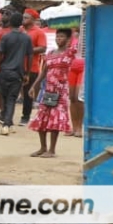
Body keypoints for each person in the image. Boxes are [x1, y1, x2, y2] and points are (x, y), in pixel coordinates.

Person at [28, 28, 76, 158]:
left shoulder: (69, 53)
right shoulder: (50, 53)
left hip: (61, 91)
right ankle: (43, 147)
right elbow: (43, 72)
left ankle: (52, 150)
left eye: (61, 37)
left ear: (68, 39)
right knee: (42, 117)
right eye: (57, 36)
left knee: (55, 119)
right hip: (49, 90)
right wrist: (34, 86)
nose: (58, 39)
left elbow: (79, 42)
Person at [0, 12, 33, 136]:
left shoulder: (6, 37)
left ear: (10, 23)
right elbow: (30, 56)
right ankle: (8, 124)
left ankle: (6, 124)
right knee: (11, 99)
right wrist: (27, 73)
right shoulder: (26, 38)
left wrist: (1, 62)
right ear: (21, 23)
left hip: (4, 71)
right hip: (18, 73)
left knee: (6, 98)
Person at [20, 9, 47, 126]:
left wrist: (27, 51)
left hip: (31, 67)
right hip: (17, 65)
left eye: (26, 17)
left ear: (33, 20)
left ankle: (25, 116)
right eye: (23, 17)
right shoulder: (19, 30)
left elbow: (43, 48)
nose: (23, 19)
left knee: (27, 93)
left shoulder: (39, 32)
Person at [68, 40, 84, 138]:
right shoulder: (72, 38)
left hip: (83, 67)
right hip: (72, 67)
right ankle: (74, 127)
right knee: (72, 98)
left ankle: (79, 127)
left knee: (79, 97)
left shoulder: (88, 35)